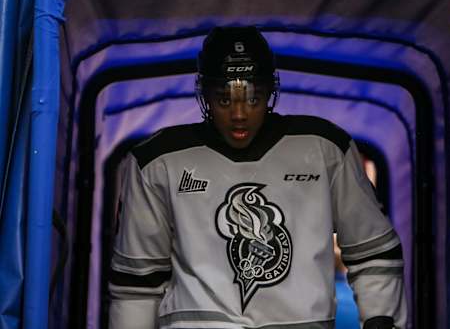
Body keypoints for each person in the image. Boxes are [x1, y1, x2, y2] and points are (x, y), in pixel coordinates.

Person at [108, 26, 407, 329]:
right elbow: (137, 283)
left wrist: (382, 318)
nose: (239, 114)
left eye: (253, 98)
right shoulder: (156, 161)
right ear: (206, 96)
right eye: (225, 100)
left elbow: (372, 248)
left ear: (269, 93)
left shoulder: (324, 148)